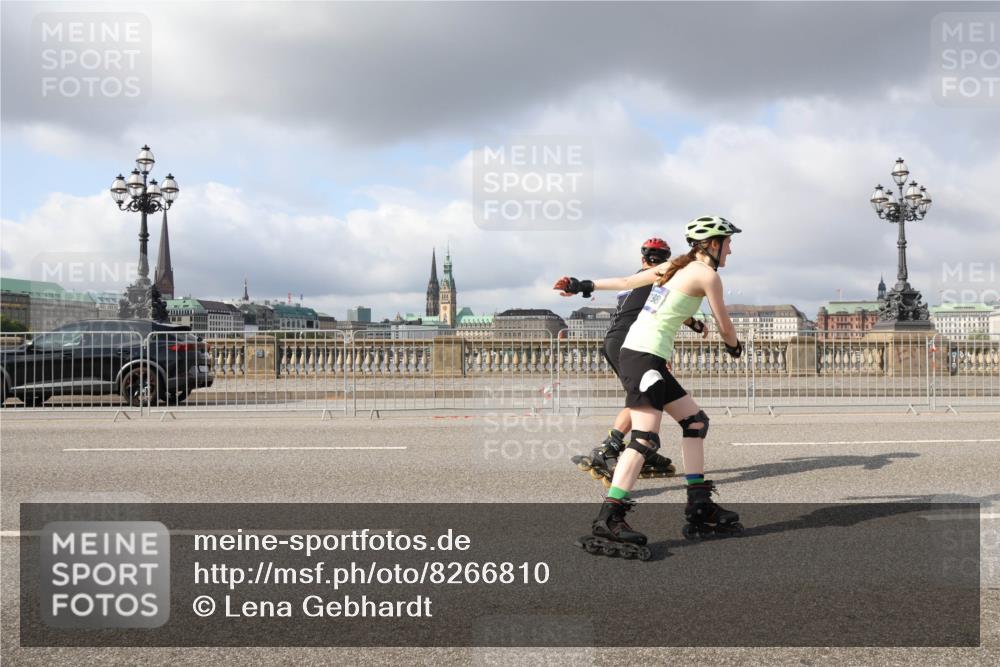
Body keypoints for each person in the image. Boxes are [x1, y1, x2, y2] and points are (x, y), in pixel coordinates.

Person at [554, 216, 745, 559]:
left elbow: (627, 280)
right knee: (644, 439)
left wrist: (582, 284)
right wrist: (733, 347)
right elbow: (724, 323)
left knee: (695, 422)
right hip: (643, 357)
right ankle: (609, 519)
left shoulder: (676, 267)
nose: (731, 248)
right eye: (727, 242)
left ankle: (700, 504)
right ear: (713, 244)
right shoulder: (706, 275)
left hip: (646, 356)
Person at [570, 238, 707, 487]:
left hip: (615, 340)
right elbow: (670, 306)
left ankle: (642, 448)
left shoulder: (635, 281)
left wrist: (583, 285)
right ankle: (611, 449)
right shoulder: (659, 279)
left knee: (644, 398)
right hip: (635, 343)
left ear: (642, 259)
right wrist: (695, 324)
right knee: (644, 399)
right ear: (665, 259)